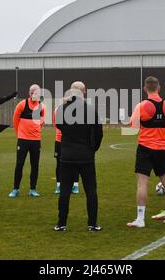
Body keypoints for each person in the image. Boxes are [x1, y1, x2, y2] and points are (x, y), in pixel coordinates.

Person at [127, 76, 165, 227]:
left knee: (142, 183)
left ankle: (140, 219)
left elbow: (133, 128)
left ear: (145, 88)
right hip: (161, 148)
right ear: (159, 87)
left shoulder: (142, 105)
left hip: (145, 147)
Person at [54, 82, 103, 231]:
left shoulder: (62, 109)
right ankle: (92, 224)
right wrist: (92, 148)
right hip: (86, 155)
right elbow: (99, 133)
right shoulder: (91, 110)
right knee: (91, 190)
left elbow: (59, 127)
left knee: (64, 191)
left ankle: (61, 223)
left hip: (67, 154)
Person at [9, 84, 45, 198]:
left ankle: (33, 189)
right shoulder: (22, 105)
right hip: (23, 140)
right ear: (30, 94)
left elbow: (42, 122)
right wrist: (20, 134)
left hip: (36, 141)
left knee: (35, 165)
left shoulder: (42, 107)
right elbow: (15, 121)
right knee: (19, 164)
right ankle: (16, 189)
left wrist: (36, 132)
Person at [53, 105, 80, 195]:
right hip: (59, 140)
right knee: (59, 163)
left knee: (75, 162)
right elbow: (55, 124)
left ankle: (75, 185)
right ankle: (59, 185)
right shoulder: (57, 109)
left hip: (72, 140)